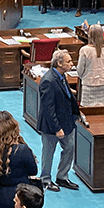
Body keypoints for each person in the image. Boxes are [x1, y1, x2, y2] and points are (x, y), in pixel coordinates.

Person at [37, 49, 81, 192]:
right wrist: (57, 128)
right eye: (68, 61)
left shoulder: (61, 76)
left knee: (70, 148)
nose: (71, 64)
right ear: (59, 63)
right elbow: (48, 109)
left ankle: (62, 176)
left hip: (66, 122)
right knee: (48, 153)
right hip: (52, 126)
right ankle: (45, 179)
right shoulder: (48, 81)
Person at [76, 25, 104, 106]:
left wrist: (86, 77)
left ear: (89, 35)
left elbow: (80, 71)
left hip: (89, 85)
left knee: (88, 114)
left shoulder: (84, 50)